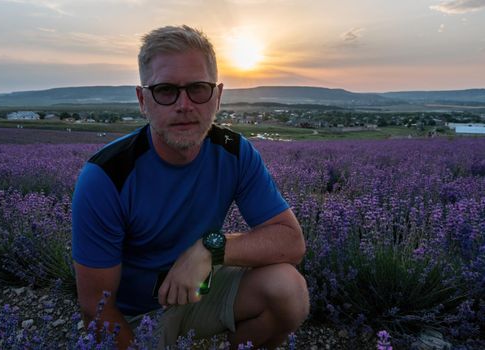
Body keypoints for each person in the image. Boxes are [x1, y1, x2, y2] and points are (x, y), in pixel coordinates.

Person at [72, 25, 309, 349]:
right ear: (143, 100)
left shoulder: (234, 152)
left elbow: (291, 241)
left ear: (218, 96)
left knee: (288, 290)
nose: (184, 104)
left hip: (201, 292)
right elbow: (95, 308)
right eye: (166, 91)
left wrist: (208, 250)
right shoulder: (107, 176)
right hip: (136, 317)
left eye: (198, 88)